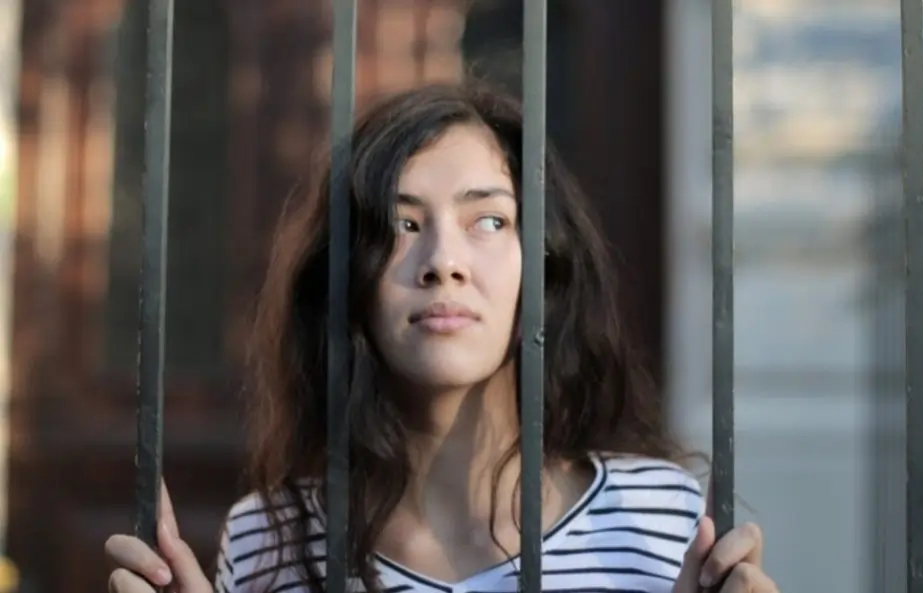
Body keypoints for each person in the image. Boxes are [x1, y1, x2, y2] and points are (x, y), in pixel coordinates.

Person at [104, 82, 778, 593]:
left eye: (489, 221)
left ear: (543, 265)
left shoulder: (657, 520)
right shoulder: (270, 540)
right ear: (347, 277)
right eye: (401, 225)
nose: (443, 261)